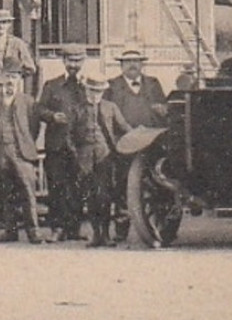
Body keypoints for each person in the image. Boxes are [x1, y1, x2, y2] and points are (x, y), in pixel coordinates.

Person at [0, 65, 47, 243]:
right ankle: (10, 230)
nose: (10, 82)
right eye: (7, 77)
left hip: (21, 152)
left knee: (28, 191)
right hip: (0, 151)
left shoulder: (28, 102)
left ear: (19, 80)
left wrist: (24, 143)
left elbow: (34, 126)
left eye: (14, 77)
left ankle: (33, 231)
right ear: (1, 80)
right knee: (6, 192)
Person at [37, 45, 90, 240]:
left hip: (80, 145)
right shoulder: (52, 85)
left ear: (83, 62)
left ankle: (74, 229)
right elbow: (39, 109)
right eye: (70, 61)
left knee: (78, 187)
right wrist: (52, 116)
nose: (74, 65)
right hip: (57, 145)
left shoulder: (87, 86)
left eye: (78, 61)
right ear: (64, 62)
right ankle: (57, 229)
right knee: (57, 187)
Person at [77, 72, 133, 247]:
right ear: (86, 90)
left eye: (98, 91)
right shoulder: (77, 108)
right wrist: (76, 155)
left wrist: (138, 137)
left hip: (105, 157)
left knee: (105, 196)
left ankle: (106, 235)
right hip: (84, 158)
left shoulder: (110, 107)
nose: (95, 95)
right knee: (90, 197)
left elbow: (124, 127)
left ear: (103, 92)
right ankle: (96, 235)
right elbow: (69, 135)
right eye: (92, 91)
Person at [104, 46, 168, 128]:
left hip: (150, 135)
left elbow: (164, 109)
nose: (132, 64)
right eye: (127, 61)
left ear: (141, 65)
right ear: (121, 65)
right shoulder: (112, 86)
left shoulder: (153, 83)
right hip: (121, 137)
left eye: (136, 61)